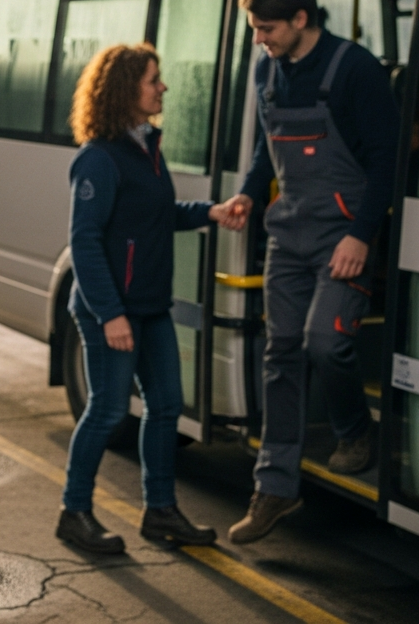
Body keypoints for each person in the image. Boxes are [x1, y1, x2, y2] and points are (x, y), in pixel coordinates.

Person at [216, 0, 400, 544]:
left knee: (326, 342)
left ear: (301, 19)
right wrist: (249, 192)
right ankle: (274, 487)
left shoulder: (357, 70)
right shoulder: (266, 69)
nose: (259, 39)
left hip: (343, 236)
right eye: (254, 29)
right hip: (289, 235)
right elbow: (265, 150)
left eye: (266, 28)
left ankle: (355, 431)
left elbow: (388, 160)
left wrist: (362, 235)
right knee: (281, 354)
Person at [56, 43, 243, 554]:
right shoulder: (98, 159)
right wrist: (110, 314)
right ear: (125, 90)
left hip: (150, 306)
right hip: (111, 312)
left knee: (165, 408)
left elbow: (156, 213)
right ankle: (74, 512)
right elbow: (85, 242)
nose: (163, 87)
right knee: (107, 411)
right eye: (152, 80)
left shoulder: (145, 148)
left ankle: (160, 511)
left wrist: (210, 212)